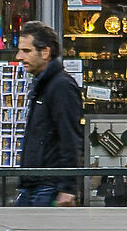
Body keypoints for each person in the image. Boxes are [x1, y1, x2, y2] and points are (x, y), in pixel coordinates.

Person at [15, 23, 83, 207]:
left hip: (47, 186)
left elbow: (70, 137)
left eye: (26, 51)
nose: (19, 57)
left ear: (45, 52)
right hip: (34, 184)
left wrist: (67, 188)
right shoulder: (43, 84)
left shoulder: (61, 86)